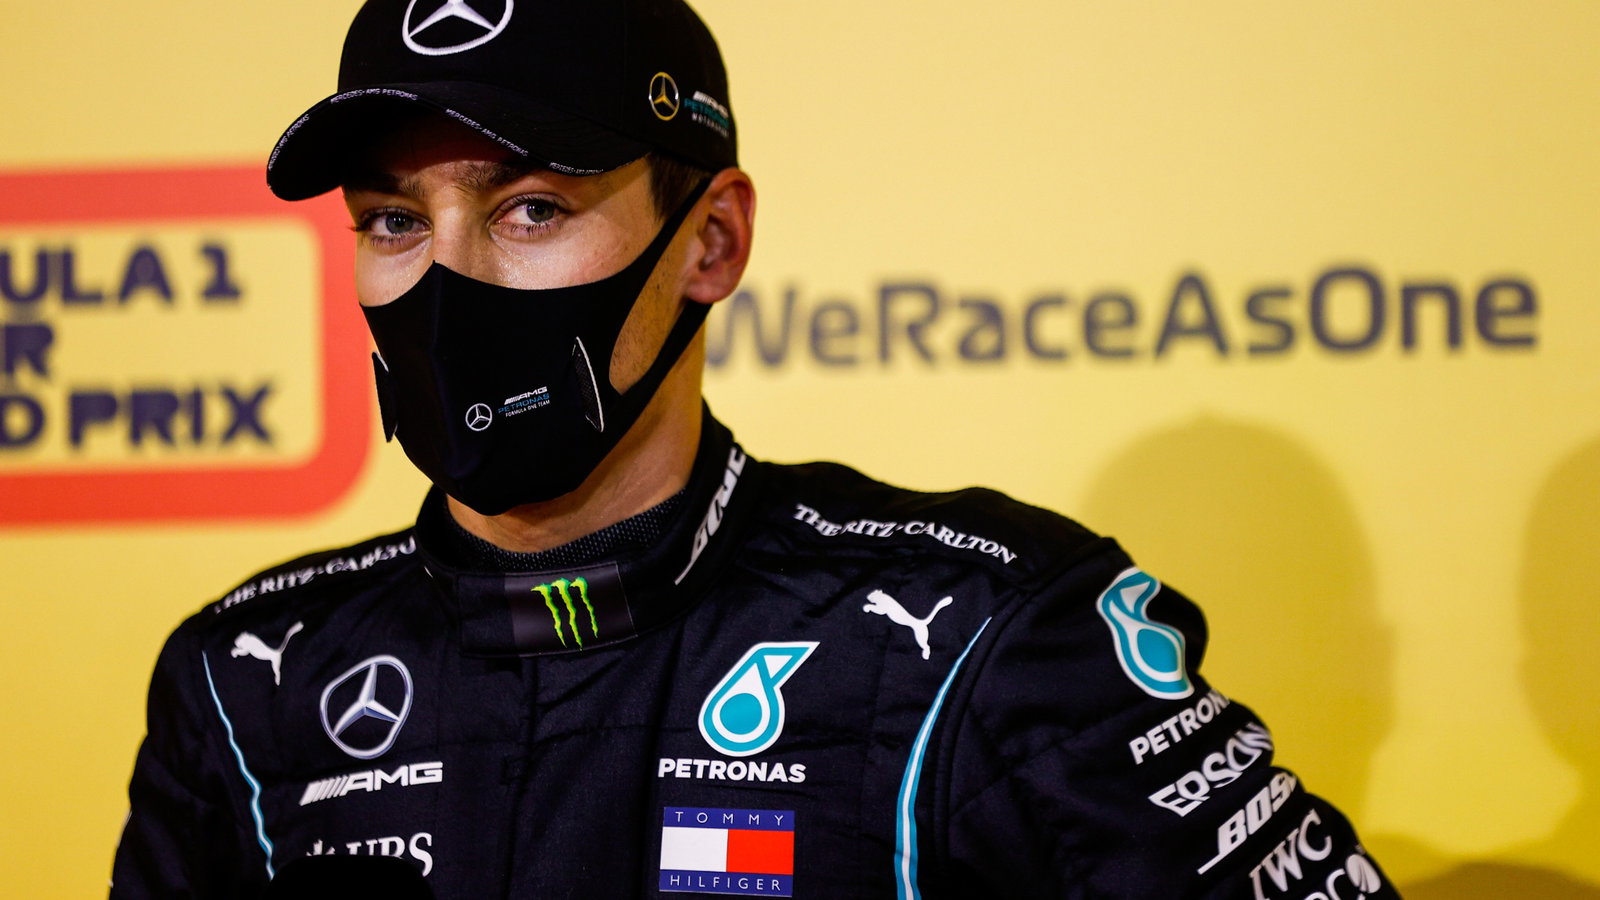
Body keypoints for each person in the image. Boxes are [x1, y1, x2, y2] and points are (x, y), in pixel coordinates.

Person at [112, 1, 1399, 897]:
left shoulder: (979, 636)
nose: (448, 278)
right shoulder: (246, 682)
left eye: (532, 208)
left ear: (711, 242)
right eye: (393, 220)